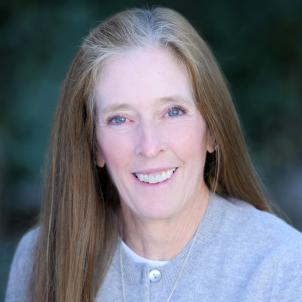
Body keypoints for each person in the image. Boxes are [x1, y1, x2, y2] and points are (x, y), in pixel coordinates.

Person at [5, 6, 302, 302]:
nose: (149, 146)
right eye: (120, 118)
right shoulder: (40, 259)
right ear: (94, 145)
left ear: (212, 130)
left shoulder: (282, 268)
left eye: (173, 112)